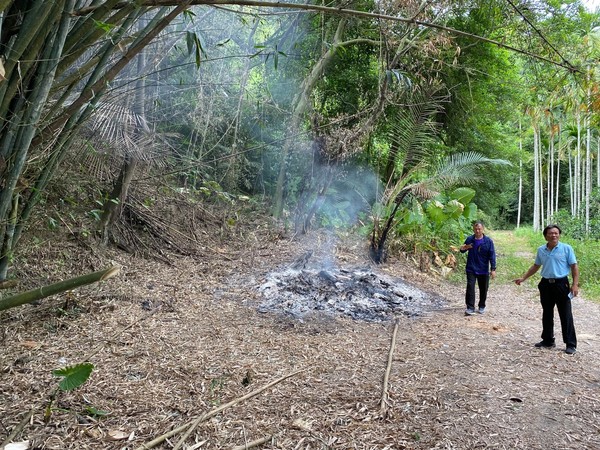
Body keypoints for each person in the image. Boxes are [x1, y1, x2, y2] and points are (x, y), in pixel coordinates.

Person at [513, 224, 579, 355]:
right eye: (551, 233)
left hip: (561, 284)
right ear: (545, 236)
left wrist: (575, 284)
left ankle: (570, 344)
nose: (554, 235)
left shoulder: (566, 248)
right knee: (547, 313)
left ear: (559, 235)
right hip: (545, 284)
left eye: (556, 233)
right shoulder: (541, 250)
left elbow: (574, 267)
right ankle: (548, 340)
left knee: (565, 314)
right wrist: (523, 278)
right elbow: (536, 266)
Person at [460, 221, 496, 316]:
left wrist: (493, 269)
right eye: (476, 229)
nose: (477, 231)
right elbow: (462, 250)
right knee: (470, 287)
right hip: (471, 268)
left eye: (479, 229)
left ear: (483, 229)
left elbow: (492, 255)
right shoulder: (470, 239)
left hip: (483, 269)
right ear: (473, 229)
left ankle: (482, 305)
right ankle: (470, 307)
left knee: (484, 288)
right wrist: (466, 247)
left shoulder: (488, 241)